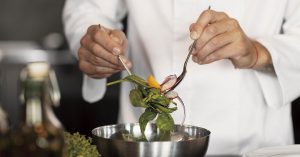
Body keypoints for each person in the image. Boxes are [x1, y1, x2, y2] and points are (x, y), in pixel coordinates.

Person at [63, 0, 300, 155]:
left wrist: (256, 52)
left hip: (255, 144)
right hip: (145, 144)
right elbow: (87, 7)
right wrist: (95, 41)